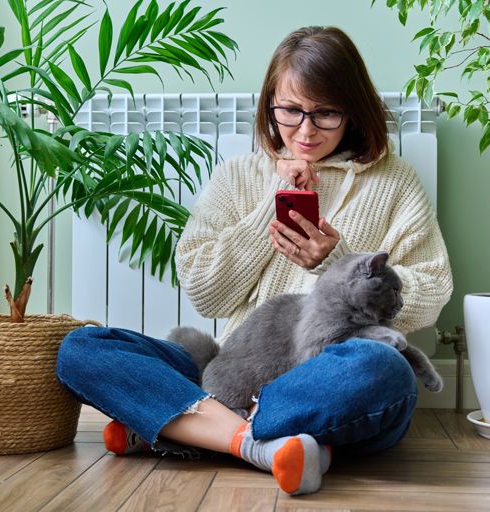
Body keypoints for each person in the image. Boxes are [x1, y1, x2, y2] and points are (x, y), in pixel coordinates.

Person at [56, 26, 453, 496]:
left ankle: (189, 428)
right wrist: (275, 200)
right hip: (233, 369)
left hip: (326, 379)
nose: (305, 130)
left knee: (383, 370)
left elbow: (429, 295)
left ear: (353, 111)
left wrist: (337, 263)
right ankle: (257, 441)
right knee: (81, 348)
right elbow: (207, 293)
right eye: (289, 110)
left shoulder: (395, 182)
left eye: (325, 113)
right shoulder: (237, 176)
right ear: (269, 104)